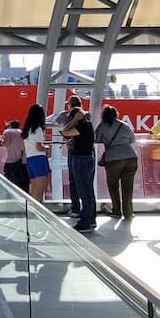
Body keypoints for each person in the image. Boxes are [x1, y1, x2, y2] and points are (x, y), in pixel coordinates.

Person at [60, 98, 96, 232]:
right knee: (89, 191)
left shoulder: (79, 126)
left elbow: (65, 131)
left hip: (80, 159)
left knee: (84, 192)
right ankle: (91, 219)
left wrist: (75, 119)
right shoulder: (88, 125)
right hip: (89, 158)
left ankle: (85, 222)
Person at [95, 105, 137, 219]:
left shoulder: (102, 126)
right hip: (131, 157)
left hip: (113, 158)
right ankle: (128, 213)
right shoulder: (124, 125)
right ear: (116, 114)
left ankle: (116, 211)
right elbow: (132, 140)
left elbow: (96, 139)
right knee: (128, 187)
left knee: (113, 185)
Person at [22, 104, 50, 203]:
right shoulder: (38, 129)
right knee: (40, 189)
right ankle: (39, 212)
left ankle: (32, 211)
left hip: (29, 159)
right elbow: (39, 147)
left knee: (33, 187)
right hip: (39, 160)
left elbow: (24, 146)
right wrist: (47, 148)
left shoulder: (27, 129)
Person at [0, 120, 29, 193]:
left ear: (10, 125)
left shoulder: (7, 132)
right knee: (20, 181)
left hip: (10, 159)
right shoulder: (21, 132)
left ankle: (10, 195)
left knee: (9, 180)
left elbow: (6, 143)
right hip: (21, 161)